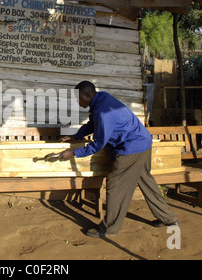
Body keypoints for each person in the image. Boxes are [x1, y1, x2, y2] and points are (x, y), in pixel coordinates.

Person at [58, 81, 178, 238]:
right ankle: (168, 219)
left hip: (132, 148)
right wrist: (77, 135)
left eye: (78, 98)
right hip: (143, 142)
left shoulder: (103, 111)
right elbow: (93, 124)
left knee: (115, 184)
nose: (77, 102)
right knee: (146, 181)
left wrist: (74, 153)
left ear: (88, 95)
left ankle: (109, 228)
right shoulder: (101, 99)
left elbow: (99, 143)